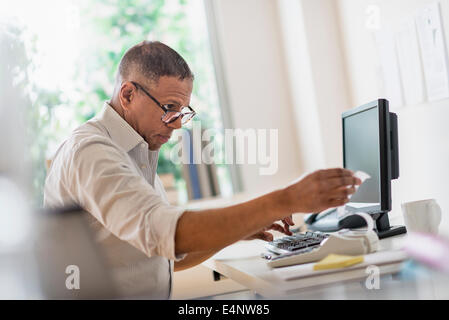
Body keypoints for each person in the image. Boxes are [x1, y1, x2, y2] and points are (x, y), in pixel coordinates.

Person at [44, 41, 361, 299]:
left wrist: (239, 228)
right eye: (169, 108)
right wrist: (286, 198)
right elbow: (168, 233)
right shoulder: (92, 151)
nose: (179, 123)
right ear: (128, 94)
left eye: (182, 111)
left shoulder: (137, 151)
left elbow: (169, 257)